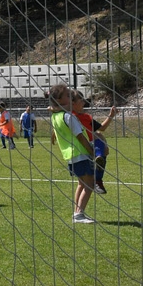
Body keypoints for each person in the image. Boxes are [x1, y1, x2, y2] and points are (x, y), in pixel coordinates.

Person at [48, 84, 100, 223]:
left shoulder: (56, 116)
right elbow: (80, 137)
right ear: (59, 100)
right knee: (89, 184)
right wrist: (91, 151)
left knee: (82, 184)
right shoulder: (69, 117)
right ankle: (79, 215)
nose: (70, 98)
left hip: (70, 155)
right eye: (67, 95)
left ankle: (77, 212)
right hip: (80, 153)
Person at [87, 100, 121, 192]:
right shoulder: (71, 116)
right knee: (83, 184)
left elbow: (102, 128)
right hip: (80, 144)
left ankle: (99, 156)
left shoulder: (86, 118)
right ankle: (98, 181)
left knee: (100, 139)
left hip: (90, 141)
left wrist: (111, 115)